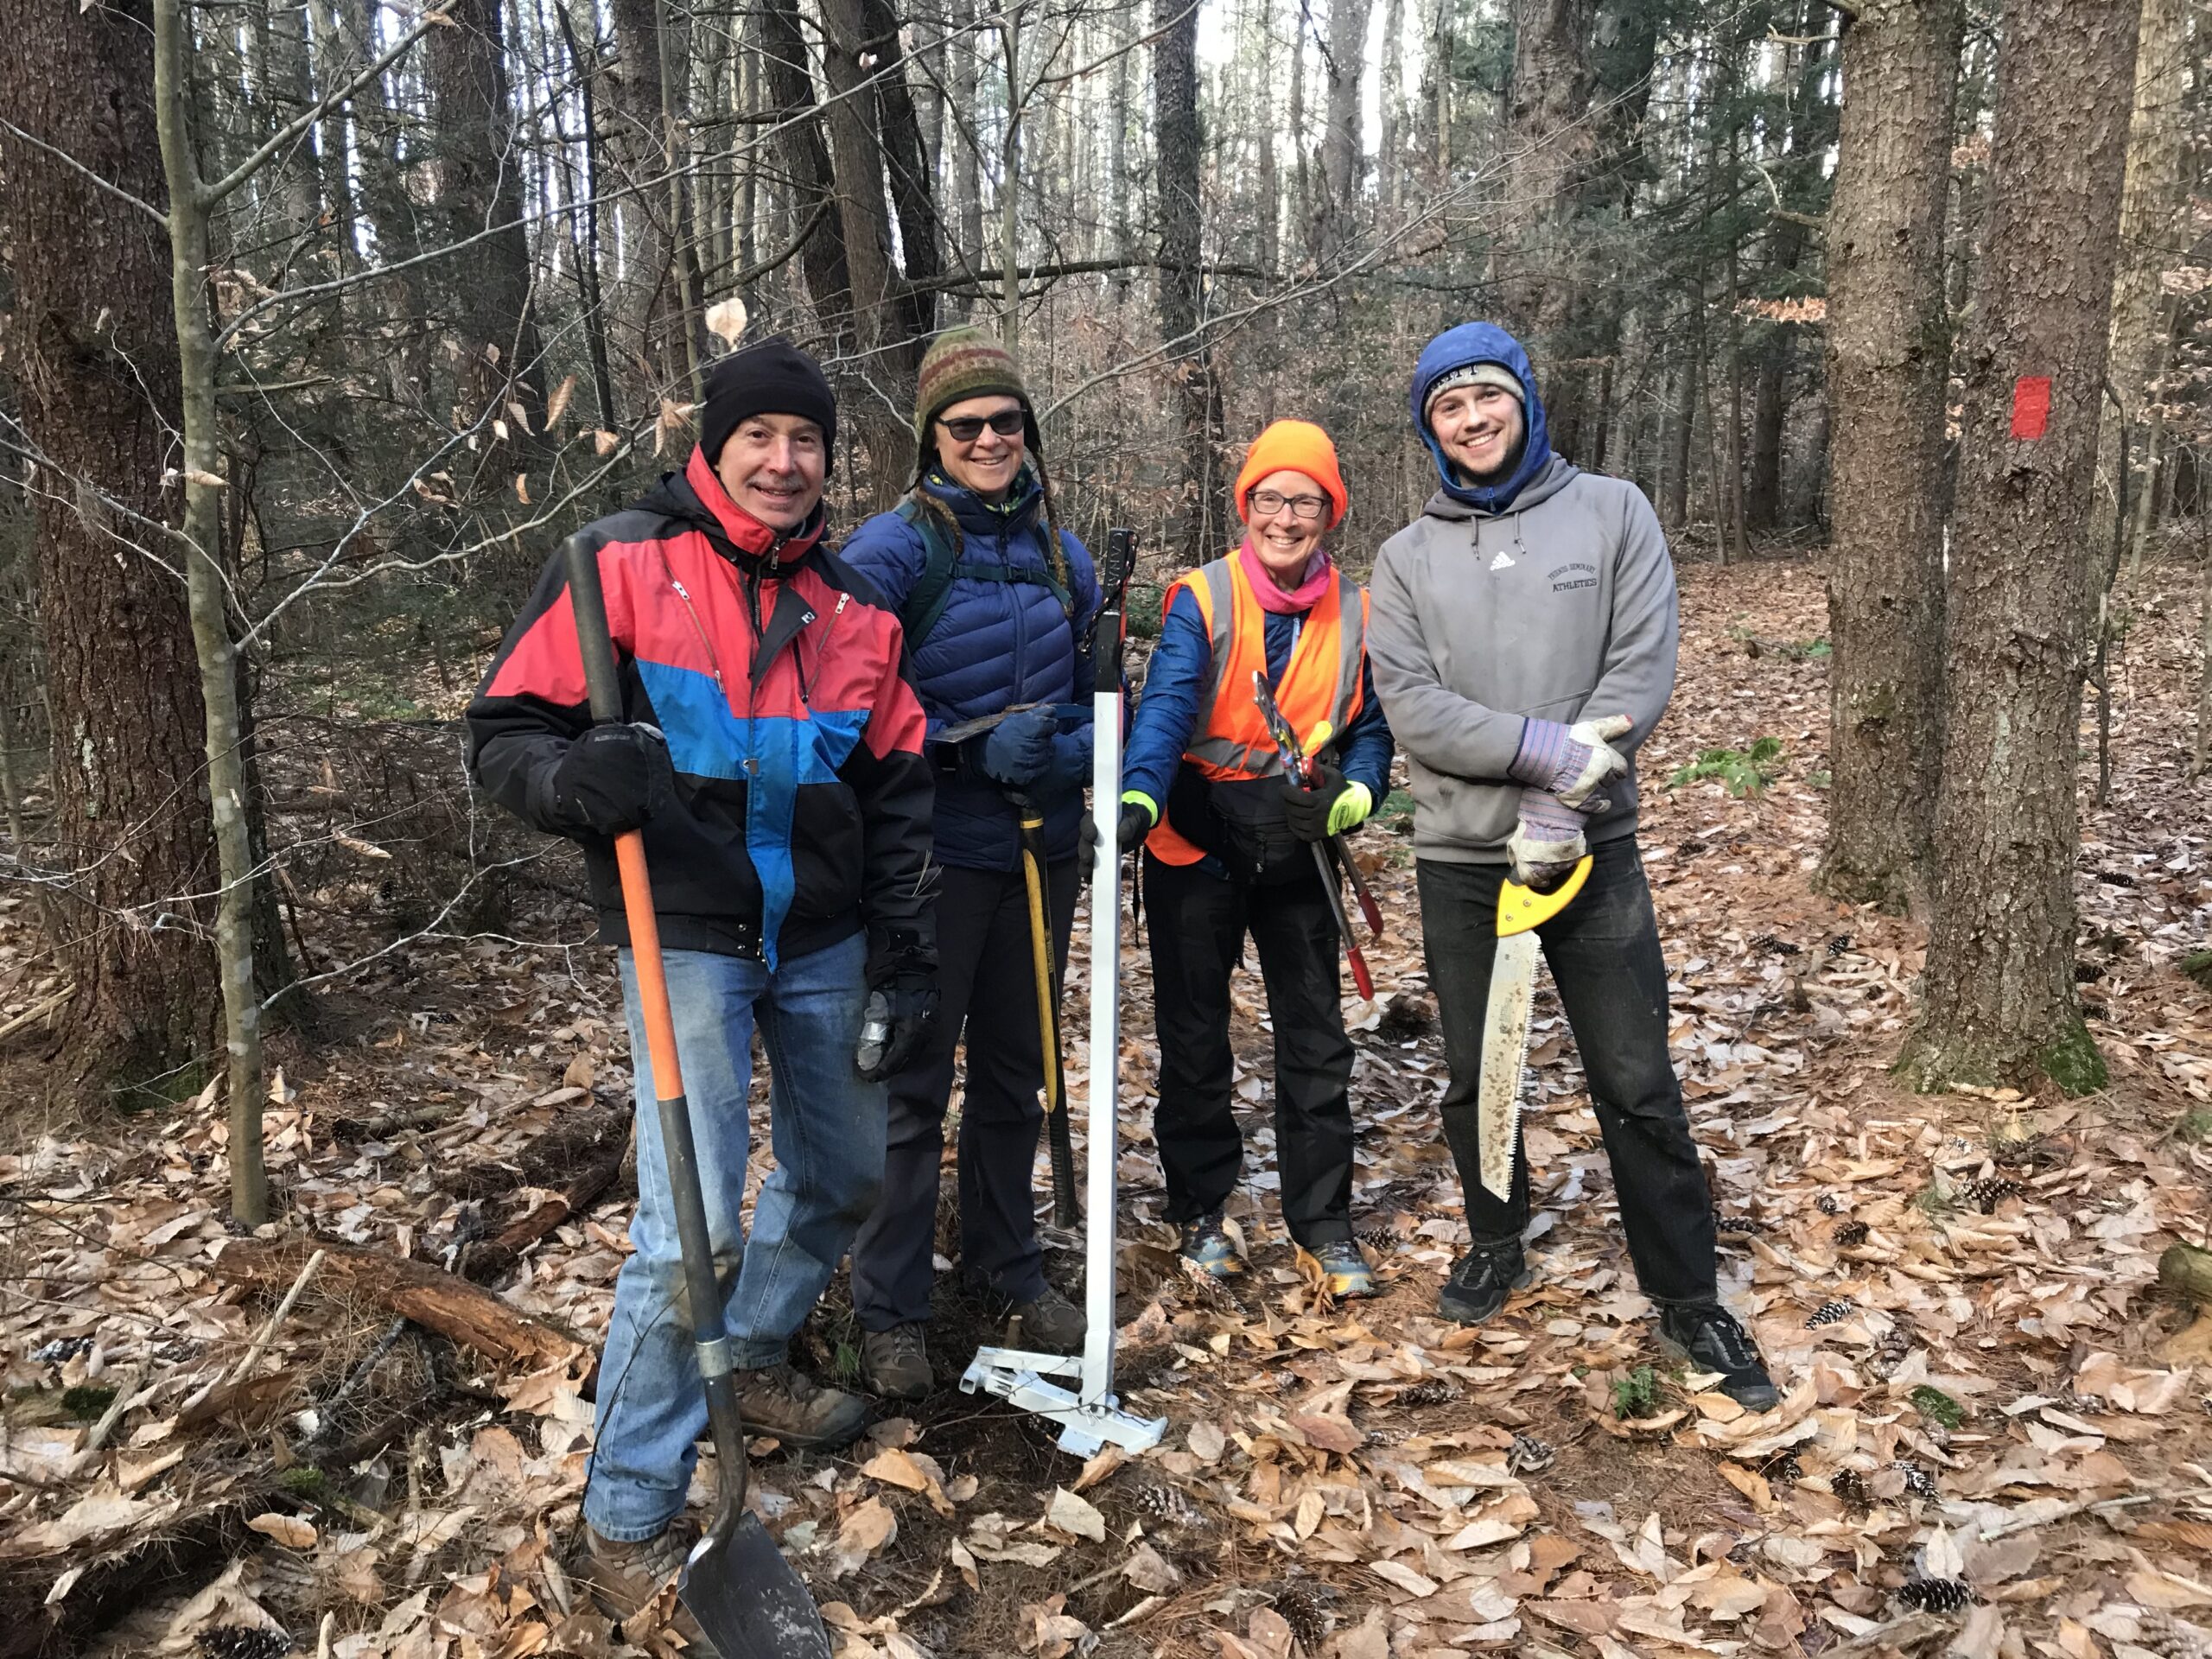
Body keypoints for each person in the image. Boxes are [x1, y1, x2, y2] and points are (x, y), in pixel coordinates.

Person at [465, 337, 940, 1630]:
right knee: (692, 1226)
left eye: (807, 443)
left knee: (844, 1173)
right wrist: (567, 781)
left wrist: (906, 947)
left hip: (828, 938)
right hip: (685, 929)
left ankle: (754, 1348)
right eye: (762, 440)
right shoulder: (622, 563)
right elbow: (504, 731)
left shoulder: (859, 611)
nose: (785, 463)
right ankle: (626, 1506)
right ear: (717, 447)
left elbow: (897, 794)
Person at [1366, 321, 1778, 1411]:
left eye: (1486, 397)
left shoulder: (1613, 511)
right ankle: (1496, 1234)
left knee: (1634, 1075)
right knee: (1475, 1070)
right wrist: (1540, 753)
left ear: (1524, 402)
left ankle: (1686, 1291)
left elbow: (1639, 662)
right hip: (1459, 854)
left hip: (1591, 847)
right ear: (1428, 426)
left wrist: (1567, 790)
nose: (1471, 419)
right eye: (1447, 406)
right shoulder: (1405, 558)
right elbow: (1414, 706)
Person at [839, 327, 1100, 1402]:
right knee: (910, 1086)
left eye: (1006, 422)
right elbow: (846, 698)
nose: (990, 439)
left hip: (1043, 854)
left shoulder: (1063, 555)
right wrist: (961, 741)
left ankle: (1010, 1265)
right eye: (966, 426)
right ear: (931, 441)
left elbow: (1105, 701)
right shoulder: (893, 552)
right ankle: (889, 1306)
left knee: (1015, 1074)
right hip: (935, 860)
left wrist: (1073, 755)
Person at [1113, 419, 1393, 1299]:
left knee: (1315, 1042)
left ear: (1329, 512)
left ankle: (1324, 1225)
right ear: (1247, 506)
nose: (1284, 516)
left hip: (1302, 839)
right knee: (1193, 1038)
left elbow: (1373, 729)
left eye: (1303, 500)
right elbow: (1164, 706)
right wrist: (1138, 793)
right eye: (1270, 498)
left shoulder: (1361, 611)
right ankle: (1202, 1212)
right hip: (1194, 835)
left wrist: (1360, 792)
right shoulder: (1201, 597)